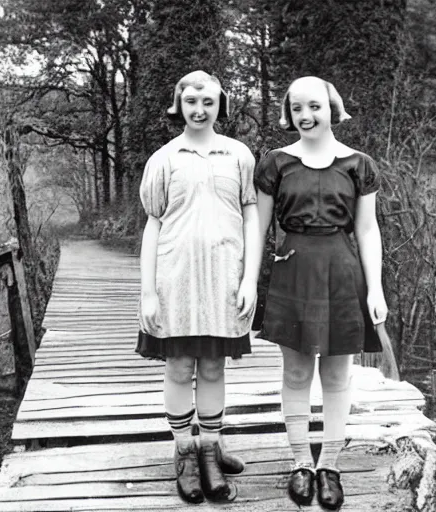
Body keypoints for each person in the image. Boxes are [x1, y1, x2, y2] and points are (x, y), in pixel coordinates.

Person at [255, 76, 388, 510]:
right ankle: (299, 463)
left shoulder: (358, 164)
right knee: (295, 373)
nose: (306, 116)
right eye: (297, 109)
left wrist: (376, 288)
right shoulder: (276, 163)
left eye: (315, 106)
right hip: (291, 268)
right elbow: (259, 228)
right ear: (288, 113)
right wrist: (246, 282)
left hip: (342, 271)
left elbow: (367, 229)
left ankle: (328, 464)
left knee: (336, 374)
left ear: (332, 107)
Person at [137, 70, 260, 504]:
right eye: (191, 101)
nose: (199, 109)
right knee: (179, 367)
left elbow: (251, 217)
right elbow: (153, 225)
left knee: (212, 367)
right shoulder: (165, 158)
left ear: (219, 105)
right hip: (176, 278)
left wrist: (250, 278)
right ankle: (185, 452)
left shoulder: (239, 155)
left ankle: (211, 448)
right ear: (179, 104)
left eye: (208, 101)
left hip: (224, 278)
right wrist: (148, 291)